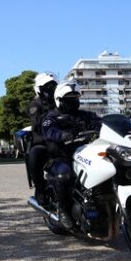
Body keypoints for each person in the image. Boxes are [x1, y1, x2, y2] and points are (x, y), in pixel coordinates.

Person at [42, 80, 101, 229]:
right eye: (69, 99)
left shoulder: (84, 115)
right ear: (59, 100)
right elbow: (49, 131)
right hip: (60, 157)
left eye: (76, 98)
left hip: (83, 154)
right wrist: (63, 135)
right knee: (64, 175)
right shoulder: (51, 117)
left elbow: (100, 121)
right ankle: (63, 210)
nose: (74, 102)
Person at [25, 71, 58, 206]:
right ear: (39, 88)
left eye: (53, 86)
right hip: (44, 141)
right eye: (47, 86)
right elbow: (37, 123)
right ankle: (40, 188)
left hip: (63, 140)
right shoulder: (35, 104)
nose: (50, 89)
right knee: (35, 154)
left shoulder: (60, 102)